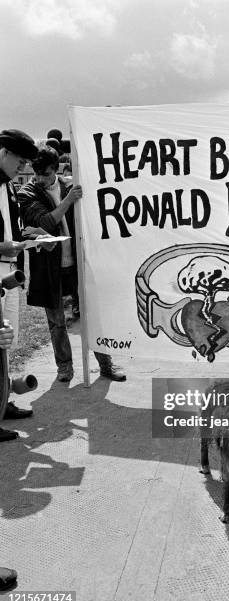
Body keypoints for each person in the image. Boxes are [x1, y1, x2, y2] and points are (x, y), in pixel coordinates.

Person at [18, 146, 126, 382]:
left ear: (55, 169)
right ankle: (64, 367)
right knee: (57, 321)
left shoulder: (73, 185)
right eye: (36, 173)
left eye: (45, 174)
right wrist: (68, 201)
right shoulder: (28, 193)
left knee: (93, 315)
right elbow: (45, 222)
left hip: (78, 263)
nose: (39, 179)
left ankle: (106, 365)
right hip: (49, 266)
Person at [0, 129, 38, 419]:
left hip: (11, 270)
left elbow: (10, 226)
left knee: (7, 342)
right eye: (21, 161)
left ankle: (3, 400)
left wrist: (30, 235)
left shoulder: (9, 186)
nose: (23, 168)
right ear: (4, 152)